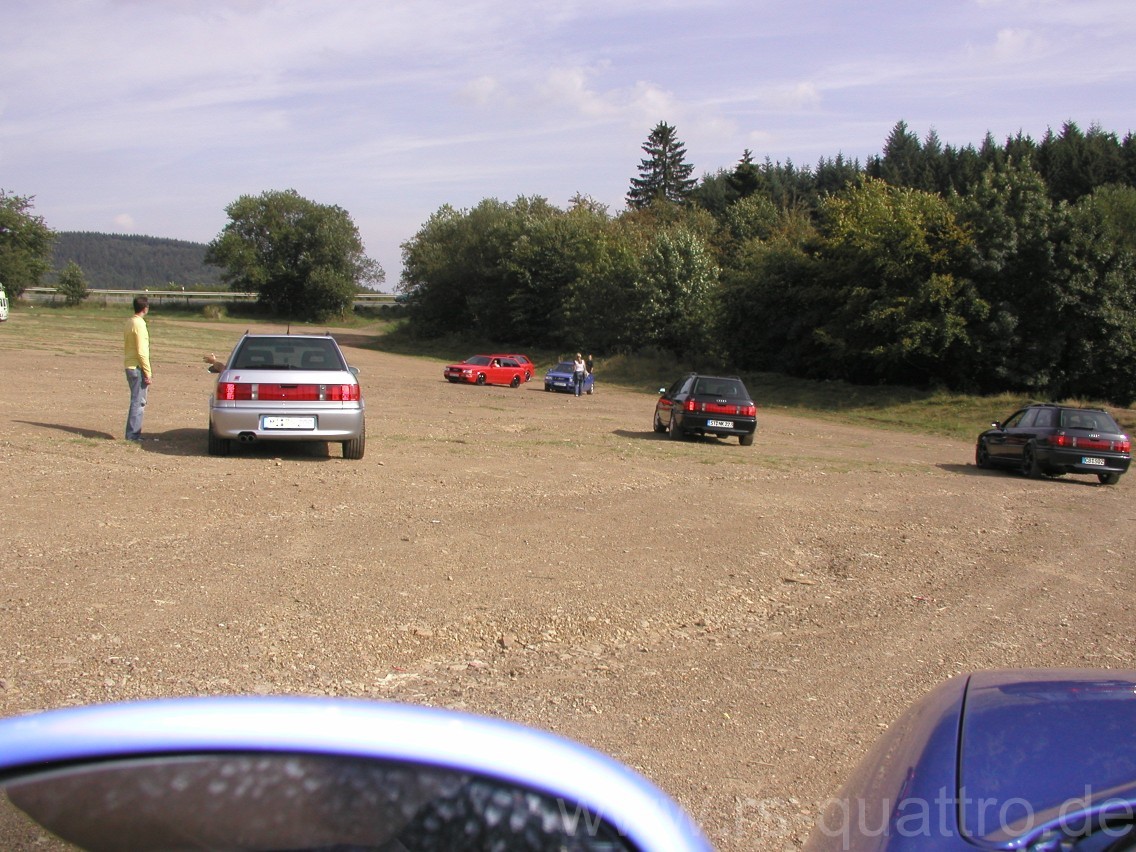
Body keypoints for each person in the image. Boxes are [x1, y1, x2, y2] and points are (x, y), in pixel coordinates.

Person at [123, 296, 152, 442]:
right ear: (145, 308)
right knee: (138, 402)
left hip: (129, 364)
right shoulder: (140, 324)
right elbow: (142, 351)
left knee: (136, 400)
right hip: (137, 367)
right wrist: (147, 372)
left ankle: (132, 433)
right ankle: (133, 435)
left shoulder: (129, 322)